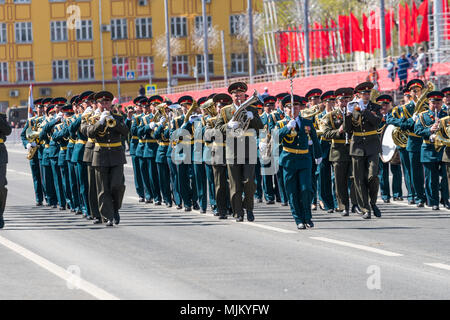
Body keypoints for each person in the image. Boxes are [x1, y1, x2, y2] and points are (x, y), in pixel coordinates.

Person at [215, 81, 264, 222]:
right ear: (232, 96)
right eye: (236, 95)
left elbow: (260, 126)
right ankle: (238, 212)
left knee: (249, 182)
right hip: (233, 151)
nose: (238, 97)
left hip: (249, 150)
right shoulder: (225, 111)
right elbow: (217, 130)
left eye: (241, 95)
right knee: (235, 185)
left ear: (244, 96)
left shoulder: (252, 109)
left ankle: (249, 209)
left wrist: (252, 117)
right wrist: (228, 126)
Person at [276, 94, 322, 229]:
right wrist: (287, 128)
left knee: (306, 189)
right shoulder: (281, 124)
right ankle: (298, 219)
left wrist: (318, 155)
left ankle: (307, 217)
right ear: (285, 109)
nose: (293, 109)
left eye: (295, 106)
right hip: (288, 161)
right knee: (292, 191)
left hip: (304, 160)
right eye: (289, 107)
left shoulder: (307, 122)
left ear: (300, 108)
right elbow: (274, 138)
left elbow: (314, 138)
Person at [87, 91, 129, 227]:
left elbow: (126, 132)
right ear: (97, 104)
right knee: (103, 188)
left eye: (107, 103)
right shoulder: (93, 118)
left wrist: (114, 121)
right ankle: (108, 216)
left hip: (116, 155)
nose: (104, 105)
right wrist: (101, 121)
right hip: (100, 155)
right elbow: (90, 132)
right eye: (101, 103)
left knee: (117, 185)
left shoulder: (118, 116)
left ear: (111, 104)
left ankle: (115, 208)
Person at [344, 82, 383, 219]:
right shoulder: (352, 108)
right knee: (359, 179)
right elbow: (348, 130)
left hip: (372, 145)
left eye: (368, 93)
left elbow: (377, 122)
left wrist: (364, 110)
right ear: (358, 95)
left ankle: (372, 202)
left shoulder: (375, 107)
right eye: (364, 93)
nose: (367, 95)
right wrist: (348, 115)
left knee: (373, 176)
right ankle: (365, 208)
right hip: (357, 147)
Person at [414, 91, 448, 210]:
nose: (436, 105)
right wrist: (430, 130)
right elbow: (417, 131)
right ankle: (433, 202)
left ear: (441, 103)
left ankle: (446, 200)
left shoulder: (446, 114)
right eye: (433, 103)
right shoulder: (422, 115)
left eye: (438, 102)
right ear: (429, 103)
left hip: (444, 149)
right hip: (428, 149)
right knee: (430, 178)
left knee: (446, 177)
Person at [376, 94, 403, 203]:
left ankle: (397, 194)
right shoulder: (375, 116)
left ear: (391, 104)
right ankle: (385, 195)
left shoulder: (396, 114)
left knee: (396, 170)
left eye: (386, 104)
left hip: (394, 146)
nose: (384, 107)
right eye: (381, 105)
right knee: (383, 172)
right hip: (380, 147)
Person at [0, 111, 11, 229]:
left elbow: (8, 131)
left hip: (0, 154)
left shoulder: (1, 117)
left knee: (0, 186)